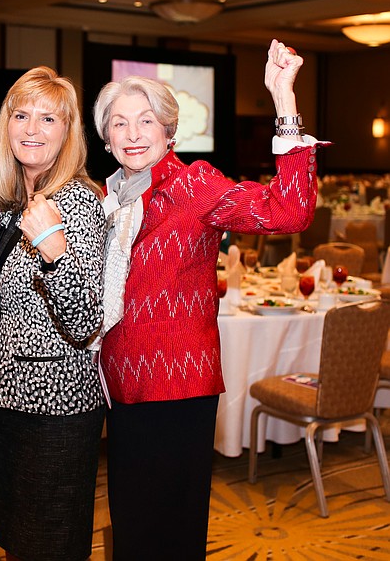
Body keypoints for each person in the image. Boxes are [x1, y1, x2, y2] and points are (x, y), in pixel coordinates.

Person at [92, 40, 325, 560]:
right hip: (122, 386)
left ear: (169, 132)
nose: (133, 134)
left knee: (170, 534)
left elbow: (289, 212)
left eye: (146, 121)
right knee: (132, 526)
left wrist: (283, 99)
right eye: (120, 123)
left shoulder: (193, 185)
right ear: (106, 138)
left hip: (178, 387)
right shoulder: (106, 199)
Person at [0, 66, 107, 561]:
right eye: (22, 115)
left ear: (67, 131)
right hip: (5, 399)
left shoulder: (77, 201)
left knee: (48, 546)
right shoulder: (12, 202)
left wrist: (55, 250)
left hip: (55, 407)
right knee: (16, 540)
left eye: (48, 118)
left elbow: (85, 321)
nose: (32, 129)